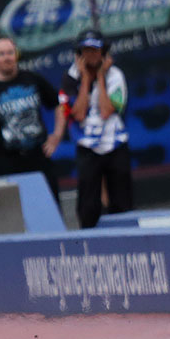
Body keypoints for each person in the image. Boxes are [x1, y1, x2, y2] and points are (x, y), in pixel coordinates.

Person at [0, 36, 65, 201]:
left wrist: (56, 135)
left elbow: (58, 105)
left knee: (49, 206)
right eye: (1, 54)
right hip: (5, 162)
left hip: (38, 158)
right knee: (15, 210)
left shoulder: (32, 79)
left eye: (10, 52)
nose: (7, 57)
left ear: (17, 54)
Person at [59, 29, 133, 228]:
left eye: (95, 50)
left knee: (122, 200)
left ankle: (125, 237)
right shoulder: (70, 77)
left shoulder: (115, 75)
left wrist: (100, 77)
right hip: (87, 145)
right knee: (88, 203)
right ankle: (89, 236)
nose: (91, 55)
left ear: (104, 52)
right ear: (79, 54)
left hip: (115, 143)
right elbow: (78, 114)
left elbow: (107, 111)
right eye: (86, 50)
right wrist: (85, 79)